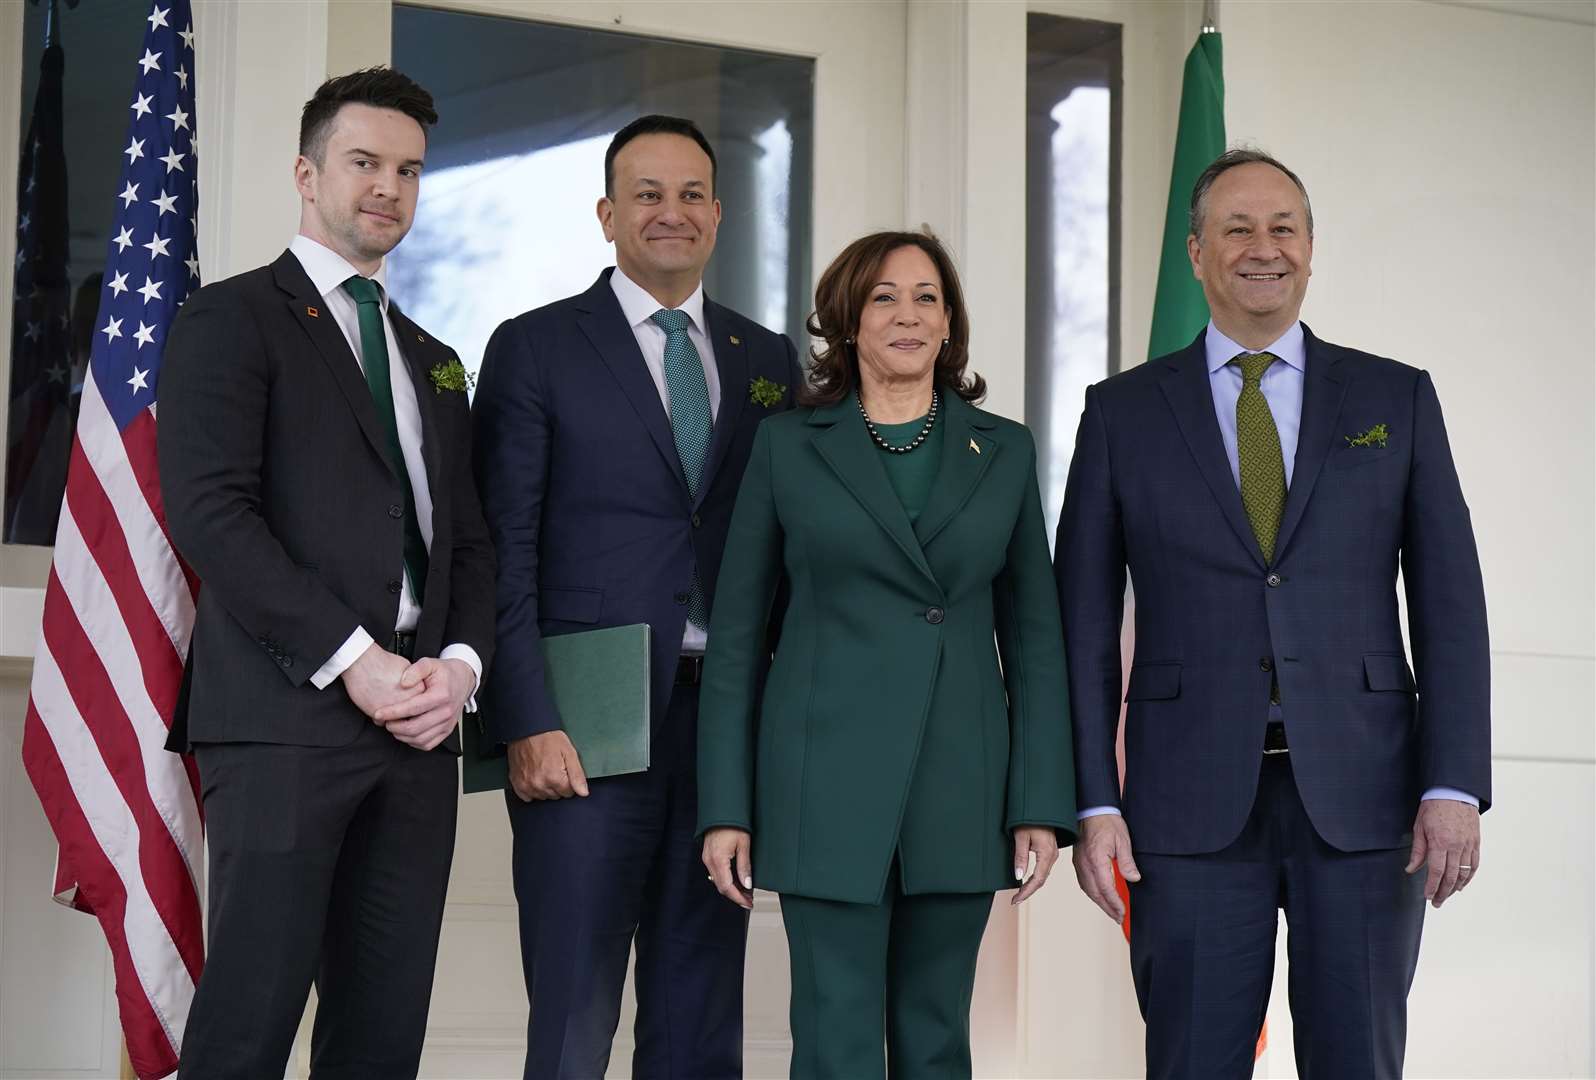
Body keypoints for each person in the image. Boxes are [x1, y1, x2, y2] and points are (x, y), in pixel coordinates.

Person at [1056, 148, 1490, 1079]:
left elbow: (1450, 605)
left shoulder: (1393, 397)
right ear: (1196, 253)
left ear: (1310, 247)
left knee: (1358, 1064)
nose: (1264, 248)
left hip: (1368, 802)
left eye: (1283, 227)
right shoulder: (1120, 412)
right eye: (1238, 229)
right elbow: (1083, 629)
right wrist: (1092, 800)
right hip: (1185, 807)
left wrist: (1452, 783)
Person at [158, 67, 495, 1078]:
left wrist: (462, 669)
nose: (387, 187)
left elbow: (468, 542)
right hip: (280, 723)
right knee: (248, 1028)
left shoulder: (435, 357)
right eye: (364, 163)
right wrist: (352, 659)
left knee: (381, 1038)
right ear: (308, 174)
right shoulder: (230, 319)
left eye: (408, 170)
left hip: (419, 730)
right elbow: (213, 517)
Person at [698, 229, 1076, 1079]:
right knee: (834, 1045)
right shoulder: (787, 446)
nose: (908, 315)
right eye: (884, 297)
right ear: (846, 321)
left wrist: (1040, 801)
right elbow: (735, 639)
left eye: (927, 298)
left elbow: (1036, 639)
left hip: (960, 782)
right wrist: (726, 804)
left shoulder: (1003, 449)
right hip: (819, 783)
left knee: (939, 1039)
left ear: (950, 325)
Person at [473, 114, 803, 1080]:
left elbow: (781, 552)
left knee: (701, 1019)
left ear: (719, 213)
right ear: (608, 214)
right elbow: (503, 548)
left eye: (693, 193)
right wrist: (524, 716)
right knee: (574, 1018)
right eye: (648, 195)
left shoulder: (767, 359)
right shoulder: (535, 347)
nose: (672, 212)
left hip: (722, 733)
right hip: (583, 728)